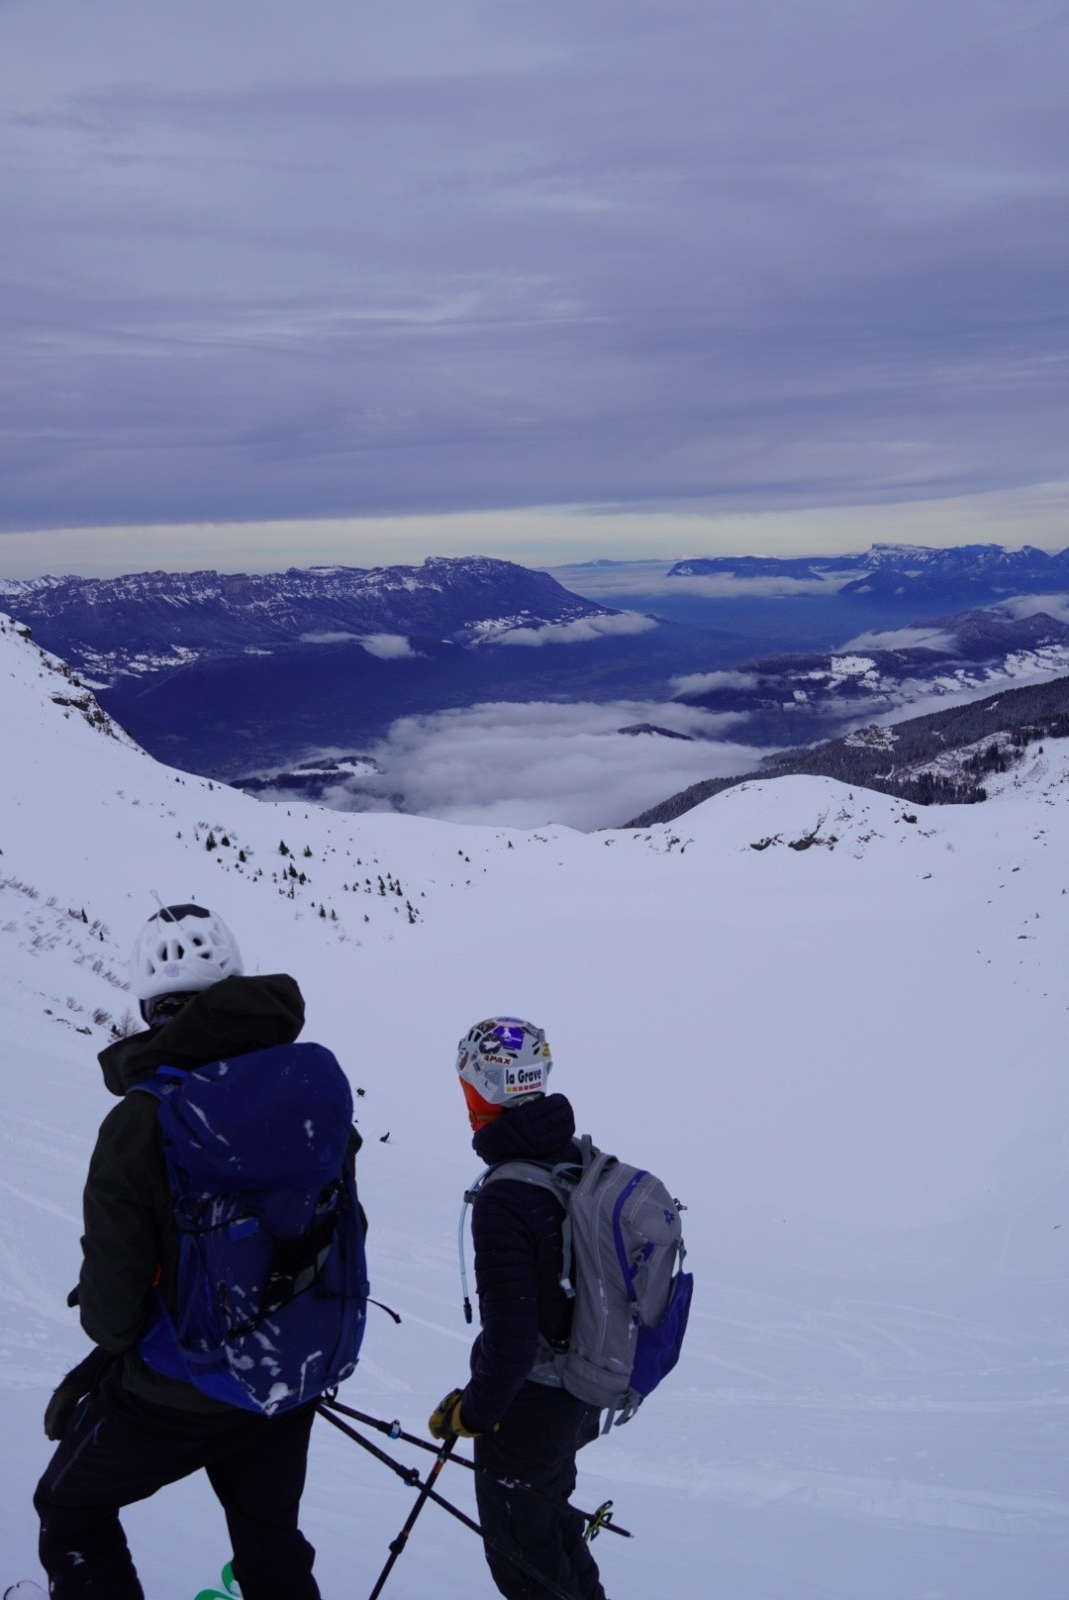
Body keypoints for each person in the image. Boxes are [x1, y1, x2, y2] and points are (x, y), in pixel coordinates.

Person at [34, 903, 357, 1600]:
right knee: (268, 1537)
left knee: (70, 1507)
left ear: (151, 1008)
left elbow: (115, 1308)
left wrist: (108, 1350)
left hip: (176, 1389)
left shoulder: (143, 1118)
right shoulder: (307, 1087)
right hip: (288, 1370)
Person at [428, 1017, 607, 1600]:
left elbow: (510, 1341)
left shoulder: (507, 1194)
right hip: (581, 1392)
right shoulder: (574, 1159)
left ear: (484, 1089)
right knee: (552, 1527)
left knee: (525, 1565)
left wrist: (473, 1415)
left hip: (531, 1409)